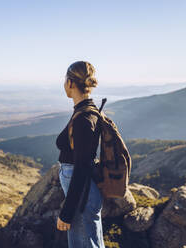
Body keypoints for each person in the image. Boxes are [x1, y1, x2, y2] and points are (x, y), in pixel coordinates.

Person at [56, 61, 105, 247]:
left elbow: (81, 168)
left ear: (70, 83)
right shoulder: (85, 112)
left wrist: (66, 213)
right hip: (84, 195)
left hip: (82, 197)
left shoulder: (84, 118)